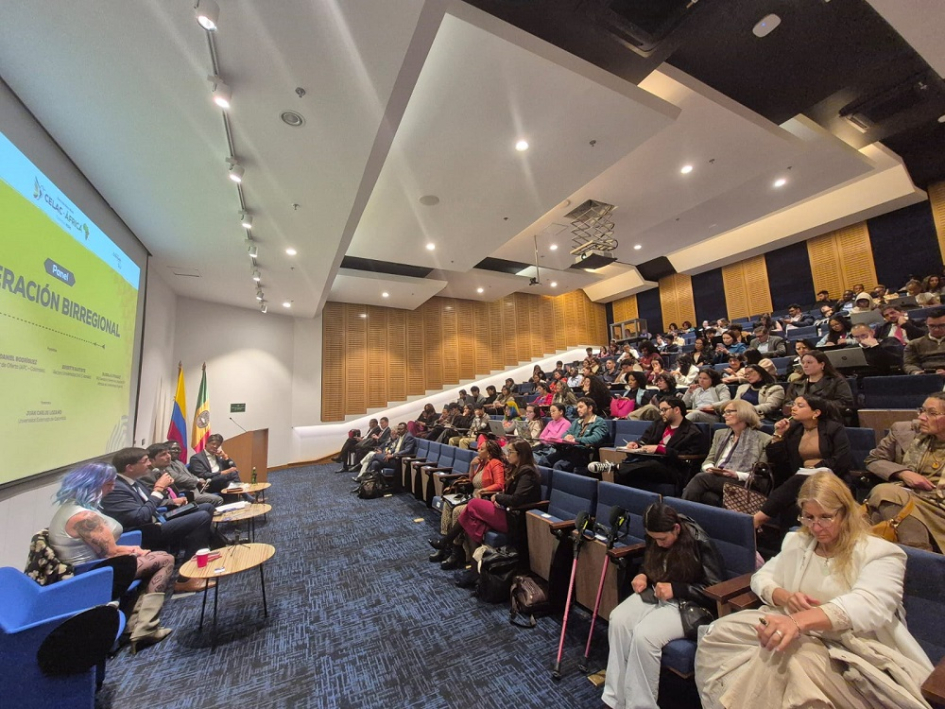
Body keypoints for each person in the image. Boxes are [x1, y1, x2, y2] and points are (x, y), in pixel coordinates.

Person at [696, 472, 933, 709]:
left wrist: (800, 622)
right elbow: (762, 577)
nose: (816, 526)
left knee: (786, 657)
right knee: (718, 632)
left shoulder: (880, 553)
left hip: (850, 646)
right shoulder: (799, 542)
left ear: (845, 513)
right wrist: (786, 596)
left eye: (825, 517)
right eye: (808, 517)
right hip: (791, 625)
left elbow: (869, 603)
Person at [603, 502, 724, 709]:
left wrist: (677, 589)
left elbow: (714, 590)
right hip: (657, 593)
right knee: (619, 619)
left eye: (662, 539)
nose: (658, 543)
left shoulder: (698, 540)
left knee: (644, 635)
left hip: (688, 604)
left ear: (676, 529)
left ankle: (640, 705)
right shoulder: (656, 536)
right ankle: (615, 699)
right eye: (653, 538)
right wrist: (642, 574)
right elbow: (649, 563)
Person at [48, 463, 177, 652]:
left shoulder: (72, 507)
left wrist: (132, 549)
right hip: (94, 574)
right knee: (165, 559)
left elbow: (105, 548)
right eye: (109, 484)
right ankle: (145, 628)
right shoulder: (84, 517)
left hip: (100, 565)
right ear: (93, 484)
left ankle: (135, 624)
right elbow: (110, 553)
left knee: (156, 557)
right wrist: (137, 552)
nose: (113, 488)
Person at [100, 447, 216, 590]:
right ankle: (185, 579)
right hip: (144, 531)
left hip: (158, 518)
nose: (149, 463)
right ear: (130, 467)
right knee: (201, 517)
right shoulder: (116, 489)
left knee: (205, 507)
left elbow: (153, 502)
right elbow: (140, 517)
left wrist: (168, 495)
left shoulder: (135, 482)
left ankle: (205, 553)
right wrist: (158, 489)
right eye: (145, 461)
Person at [432, 440, 540, 582]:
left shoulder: (528, 472)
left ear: (520, 454)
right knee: (472, 521)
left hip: (515, 518)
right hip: (507, 511)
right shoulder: (516, 469)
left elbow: (517, 499)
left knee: (474, 504)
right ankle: (473, 572)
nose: (507, 455)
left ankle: (446, 541)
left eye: (511, 452)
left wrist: (498, 497)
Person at [751, 395, 852, 530]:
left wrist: (814, 469)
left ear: (816, 412)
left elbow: (841, 459)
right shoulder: (795, 430)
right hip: (800, 481)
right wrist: (778, 435)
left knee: (797, 481)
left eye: (800, 406)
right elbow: (780, 460)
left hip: (830, 479)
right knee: (791, 507)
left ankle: (757, 519)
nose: (793, 408)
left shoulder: (833, 429)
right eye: (794, 404)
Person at [865, 393, 945, 552]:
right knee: (886, 501)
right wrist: (903, 473)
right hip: (909, 496)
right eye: (922, 410)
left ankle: (912, 554)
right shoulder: (907, 431)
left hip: (939, 506)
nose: (922, 417)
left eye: (932, 413)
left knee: (884, 495)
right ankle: (919, 553)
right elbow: (873, 460)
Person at [594, 397, 706, 493]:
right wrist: (636, 444)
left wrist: (661, 449)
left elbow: (689, 457)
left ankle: (615, 466)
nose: (661, 413)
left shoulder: (693, 432)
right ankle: (622, 501)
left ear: (677, 410)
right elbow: (644, 440)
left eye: (664, 410)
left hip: (672, 467)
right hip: (650, 460)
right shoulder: (659, 424)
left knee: (651, 465)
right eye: (660, 410)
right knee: (623, 471)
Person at [429, 440, 506, 568]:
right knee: (448, 505)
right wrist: (472, 466)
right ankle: (444, 548)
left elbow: (500, 484)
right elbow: (472, 481)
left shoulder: (495, 464)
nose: (478, 450)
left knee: (457, 511)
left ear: (489, 452)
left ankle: (457, 552)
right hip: (473, 497)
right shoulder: (482, 464)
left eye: (481, 449)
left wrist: (484, 490)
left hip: (484, 500)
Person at [683, 400, 772, 507]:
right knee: (709, 496)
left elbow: (760, 475)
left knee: (700, 478)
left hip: (744, 482)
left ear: (743, 413)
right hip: (717, 477)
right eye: (724, 412)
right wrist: (710, 469)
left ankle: (682, 516)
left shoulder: (764, 439)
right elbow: (709, 460)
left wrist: (735, 474)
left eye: (729, 412)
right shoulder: (720, 434)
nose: (725, 415)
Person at [536, 397, 609, 472]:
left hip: (584, 453)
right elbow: (565, 433)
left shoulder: (599, 421)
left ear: (590, 408)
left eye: (581, 407)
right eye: (577, 407)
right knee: (544, 461)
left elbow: (595, 438)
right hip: (570, 450)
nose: (578, 410)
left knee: (559, 465)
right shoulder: (577, 421)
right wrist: (566, 436)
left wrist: (575, 439)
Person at [143, 443, 222, 506]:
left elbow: (189, 475)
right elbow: (152, 502)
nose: (168, 456)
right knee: (214, 502)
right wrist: (174, 501)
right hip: (172, 506)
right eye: (163, 454)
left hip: (184, 497)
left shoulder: (163, 470)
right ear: (151, 460)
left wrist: (198, 481)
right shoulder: (148, 477)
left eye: (168, 453)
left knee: (207, 507)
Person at [785, 350, 855, 414]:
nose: (805, 366)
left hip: (827, 418)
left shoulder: (836, 381)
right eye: (803, 363)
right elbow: (787, 403)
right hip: (800, 419)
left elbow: (844, 403)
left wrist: (818, 404)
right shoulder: (796, 383)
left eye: (809, 362)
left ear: (822, 364)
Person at [720, 363, 784, 420]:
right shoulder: (742, 387)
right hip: (741, 417)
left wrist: (746, 410)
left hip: (762, 417)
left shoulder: (776, 388)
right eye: (746, 374)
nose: (747, 376)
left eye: (750, 372)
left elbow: (770, 406)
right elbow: (736, 403)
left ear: (760, 373)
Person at [904, 308, 945, 374]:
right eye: (932, 326)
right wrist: (916, 372)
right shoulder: (914, 344)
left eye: (942, 325)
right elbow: (909, 364)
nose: (936, 329)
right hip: (926, 377)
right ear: (926, 325)